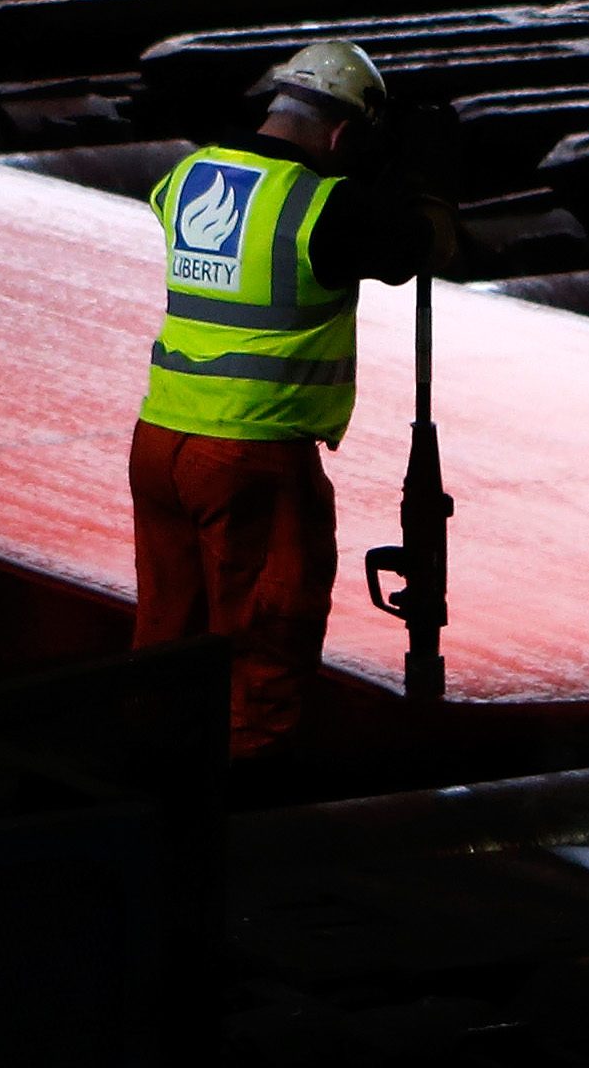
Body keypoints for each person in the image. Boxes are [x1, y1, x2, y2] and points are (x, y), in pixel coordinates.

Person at [128, 41, 456, 763]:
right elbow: (418, 246)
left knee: (168, 630)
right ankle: (250, 800)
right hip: (254, 452)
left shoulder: (188, 176)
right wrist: (413, 171)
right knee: (267, 634)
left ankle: (150, 776)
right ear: (343, 135)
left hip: (160, 440)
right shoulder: (323, 206)